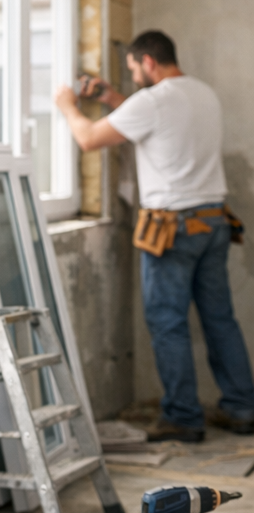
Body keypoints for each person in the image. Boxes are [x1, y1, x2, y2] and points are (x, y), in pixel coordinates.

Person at [54, 30, 254, 442]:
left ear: (148, 62)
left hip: (173, 229)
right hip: (214, 221)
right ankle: (242, 407)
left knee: (167, 322)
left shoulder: (152, 101)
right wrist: (111, 98)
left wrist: (68, 106)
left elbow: (89, 139)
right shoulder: (202, 93)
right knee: (220, 319)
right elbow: (159, 125)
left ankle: (183, 416)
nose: (133, 79)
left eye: (133, 70)